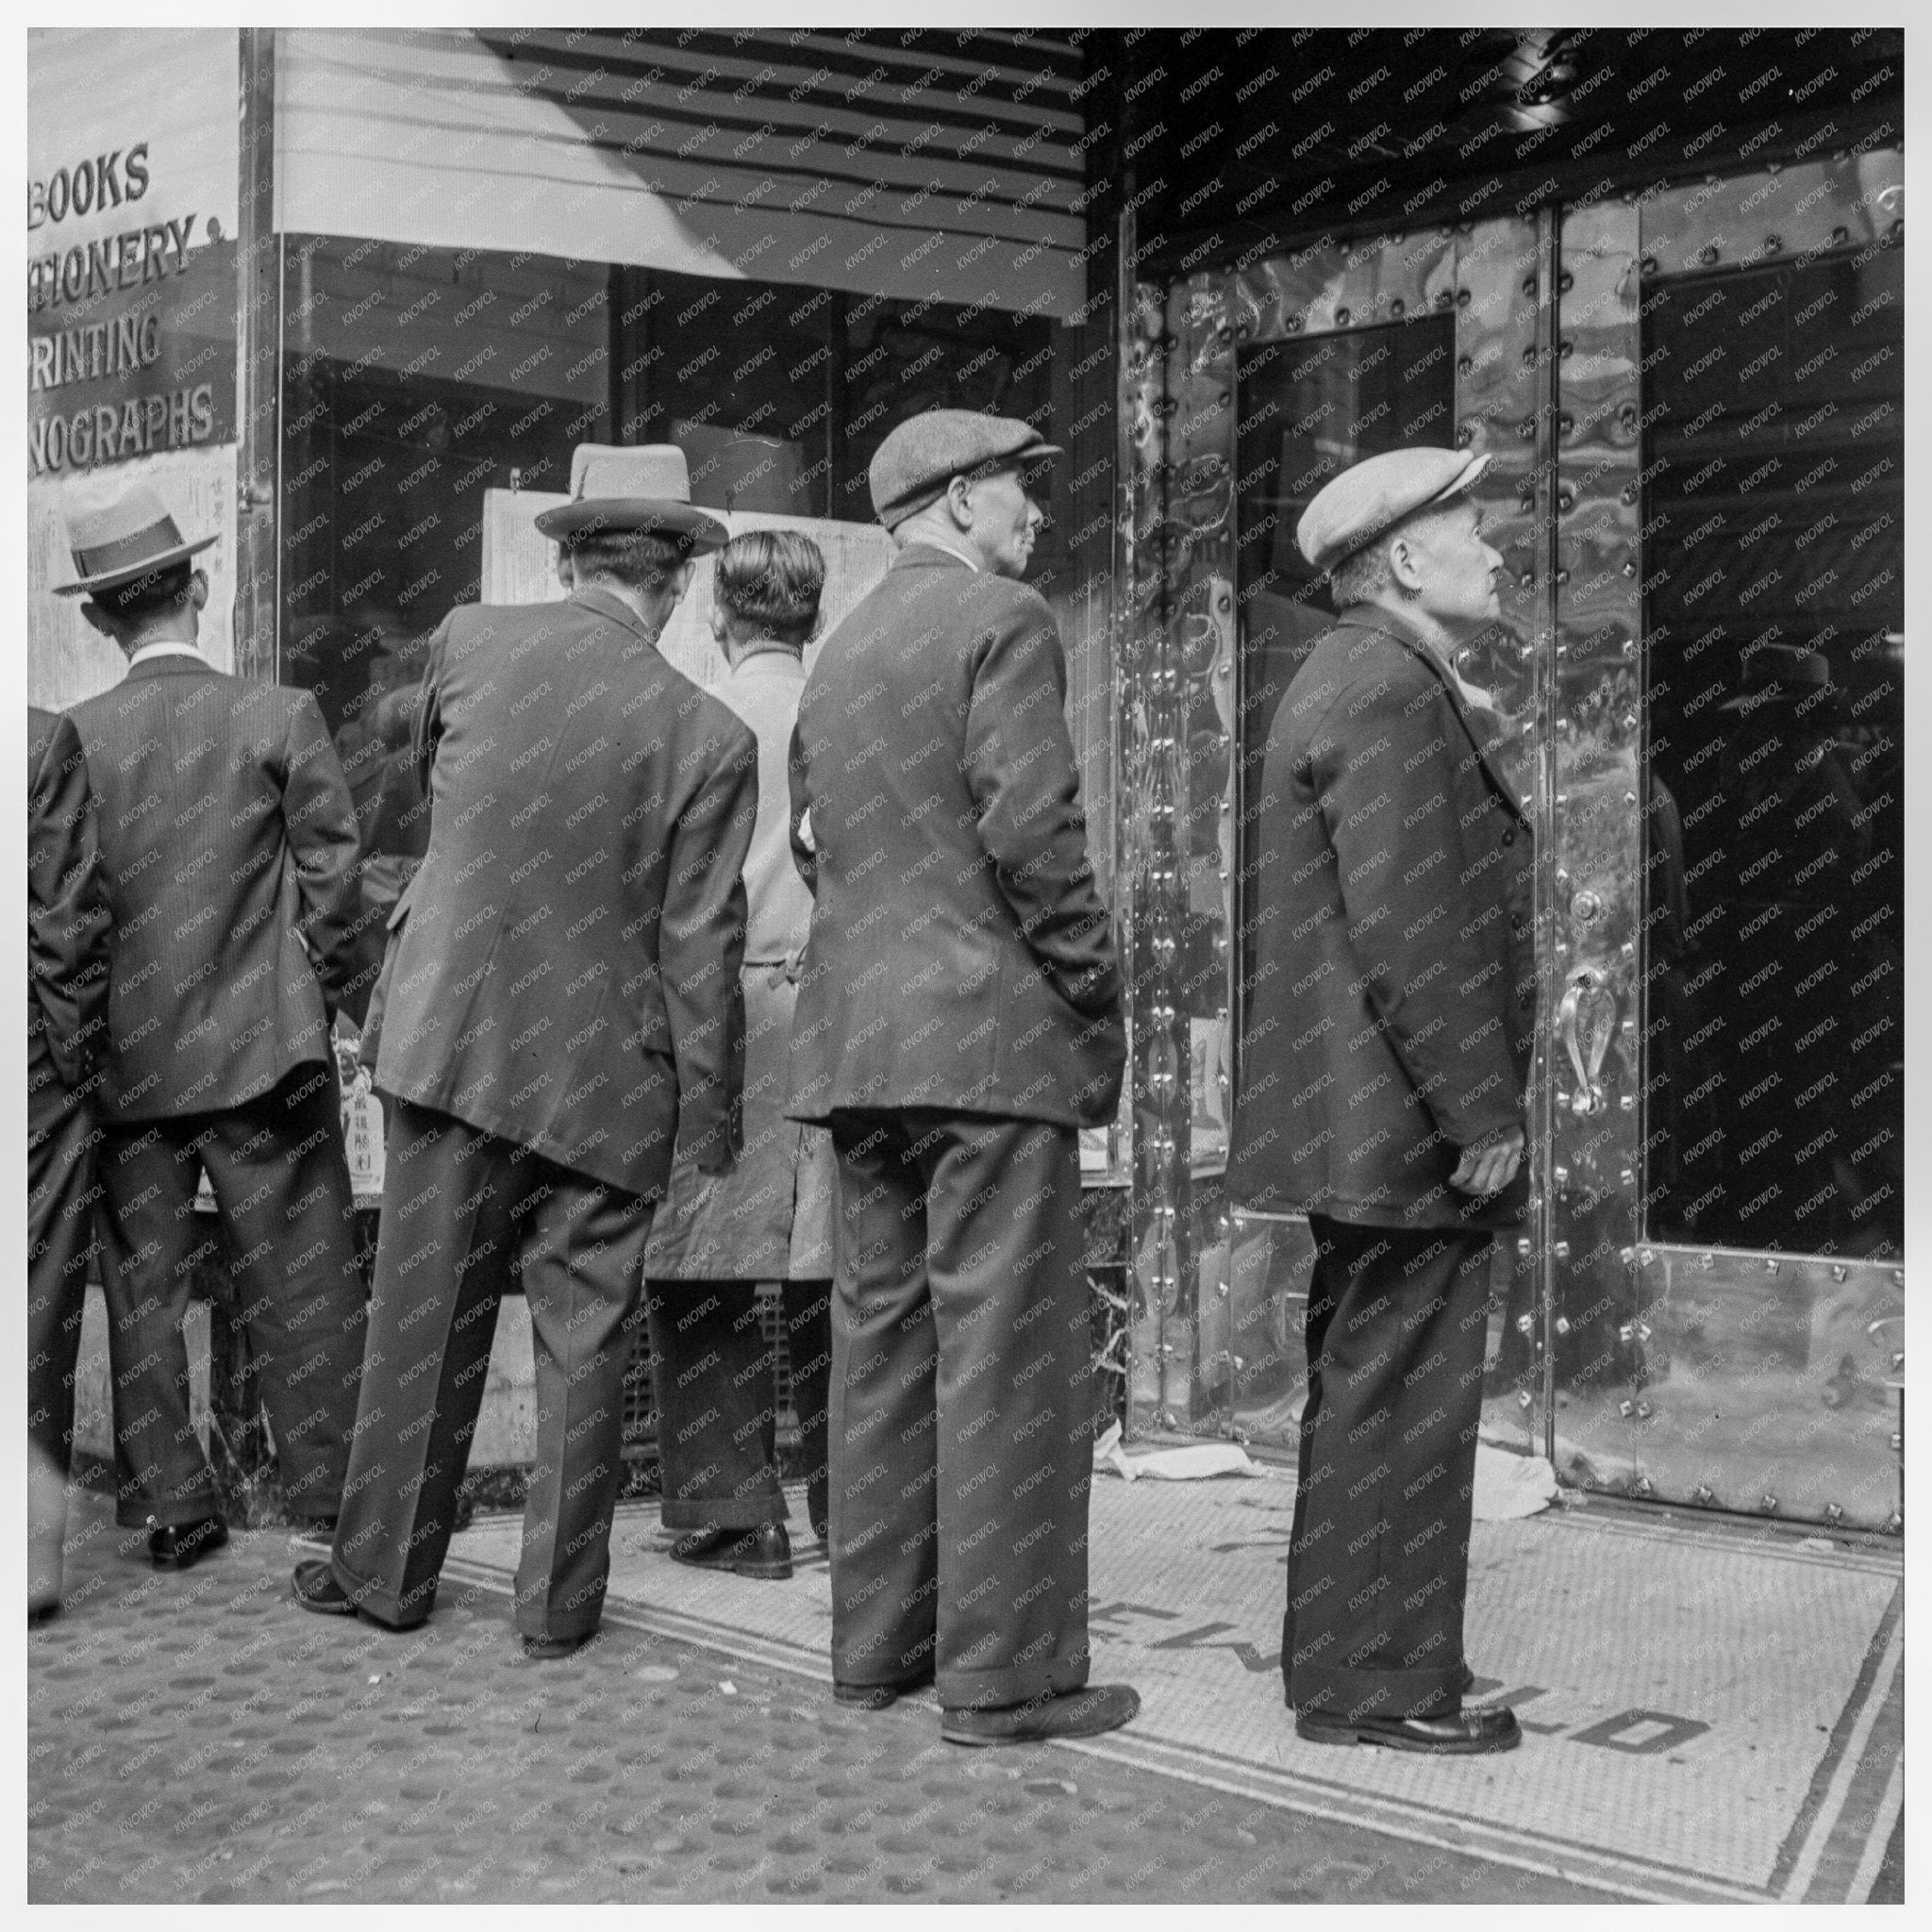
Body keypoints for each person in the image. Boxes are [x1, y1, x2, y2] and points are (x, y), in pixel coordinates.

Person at [294, 446, 758, 1659]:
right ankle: (556, 1606)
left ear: (564, 557)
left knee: (422, 1317)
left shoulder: (467, 641)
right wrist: (710, 1119)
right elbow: (698, 948)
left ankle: (387, 1570)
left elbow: (437, 794)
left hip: (451, 1041)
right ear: (684, 583)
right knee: (587, 1343)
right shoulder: (708, 735)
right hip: (611, 1078)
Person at [787, 408, 1136, 1745]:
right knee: (1010, 1360)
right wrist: (1092, 983)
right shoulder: (1004, 622)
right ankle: (1005, 1678)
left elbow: (818, 845)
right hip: (987, 1052)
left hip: (860, 1055)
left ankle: (875, 1650)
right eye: (1016, 492)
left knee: (879, 1349)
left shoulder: (843, 651)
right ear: (955, 503)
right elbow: (1034, 830)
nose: (1034, 516)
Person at [1227, 445, 1533, 1755]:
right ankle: (1380, 1684)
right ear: (1405, 558)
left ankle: (1361, 1667)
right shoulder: (1389, 687)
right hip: (1406, 1122)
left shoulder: (1355, 677)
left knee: (1372, 1392)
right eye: (1475, 528)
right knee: (1402, 1402)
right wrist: (1481, 1112)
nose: (1499, 549)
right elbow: (1411, 926)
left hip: (1368, 1117)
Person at [57, 484, 374, 1568]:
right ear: (199, 586)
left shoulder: (72, 744)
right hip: (263, 1051)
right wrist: (344, 1004)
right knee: (305, 1278)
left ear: (99, 620)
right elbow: (336, 894)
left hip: (128, 1064)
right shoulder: (278, 716)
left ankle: (170, 1503)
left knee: (143, 1280)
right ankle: (333, 1496)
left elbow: (66, 917)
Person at [641, 531, 835, 1578]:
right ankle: (854, 1509)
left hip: (723, 1005)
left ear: (720, 613)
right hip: (838, 1005)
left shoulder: (692, 717)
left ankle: (732, 1510)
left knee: (703, 1264)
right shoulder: (845, 708)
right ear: (812, 615)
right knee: (838, 1265)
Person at [26, 706, 111, 1621]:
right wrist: (75, 1061)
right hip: (28, 1074)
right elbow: (69, 925)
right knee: (36, 1296)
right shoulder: (38, 740)